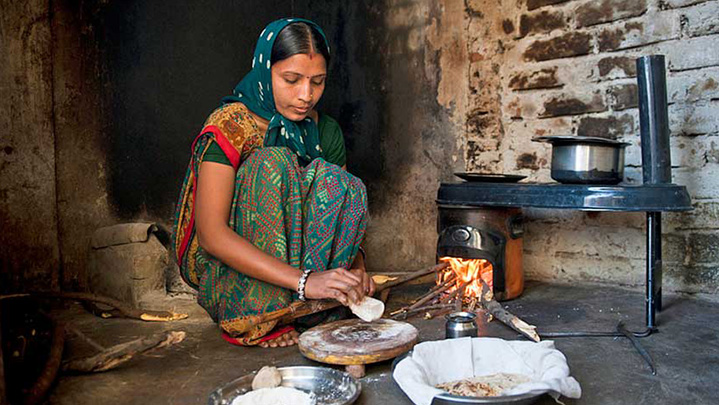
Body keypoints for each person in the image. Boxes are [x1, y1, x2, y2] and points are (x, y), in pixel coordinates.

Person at [172, 18, 373, 348]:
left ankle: (311, 308)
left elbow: (340, 212)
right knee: (273, 162)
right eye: (291, 80)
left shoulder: (325, 132)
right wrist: (305, 281)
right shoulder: (231, 124)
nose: (305, 95)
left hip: (306, 281)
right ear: (265, 70)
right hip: (230, 272)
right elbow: (210, 235)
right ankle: (263, 312)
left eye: (317, 82)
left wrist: (356, 272)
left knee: (343, 183)